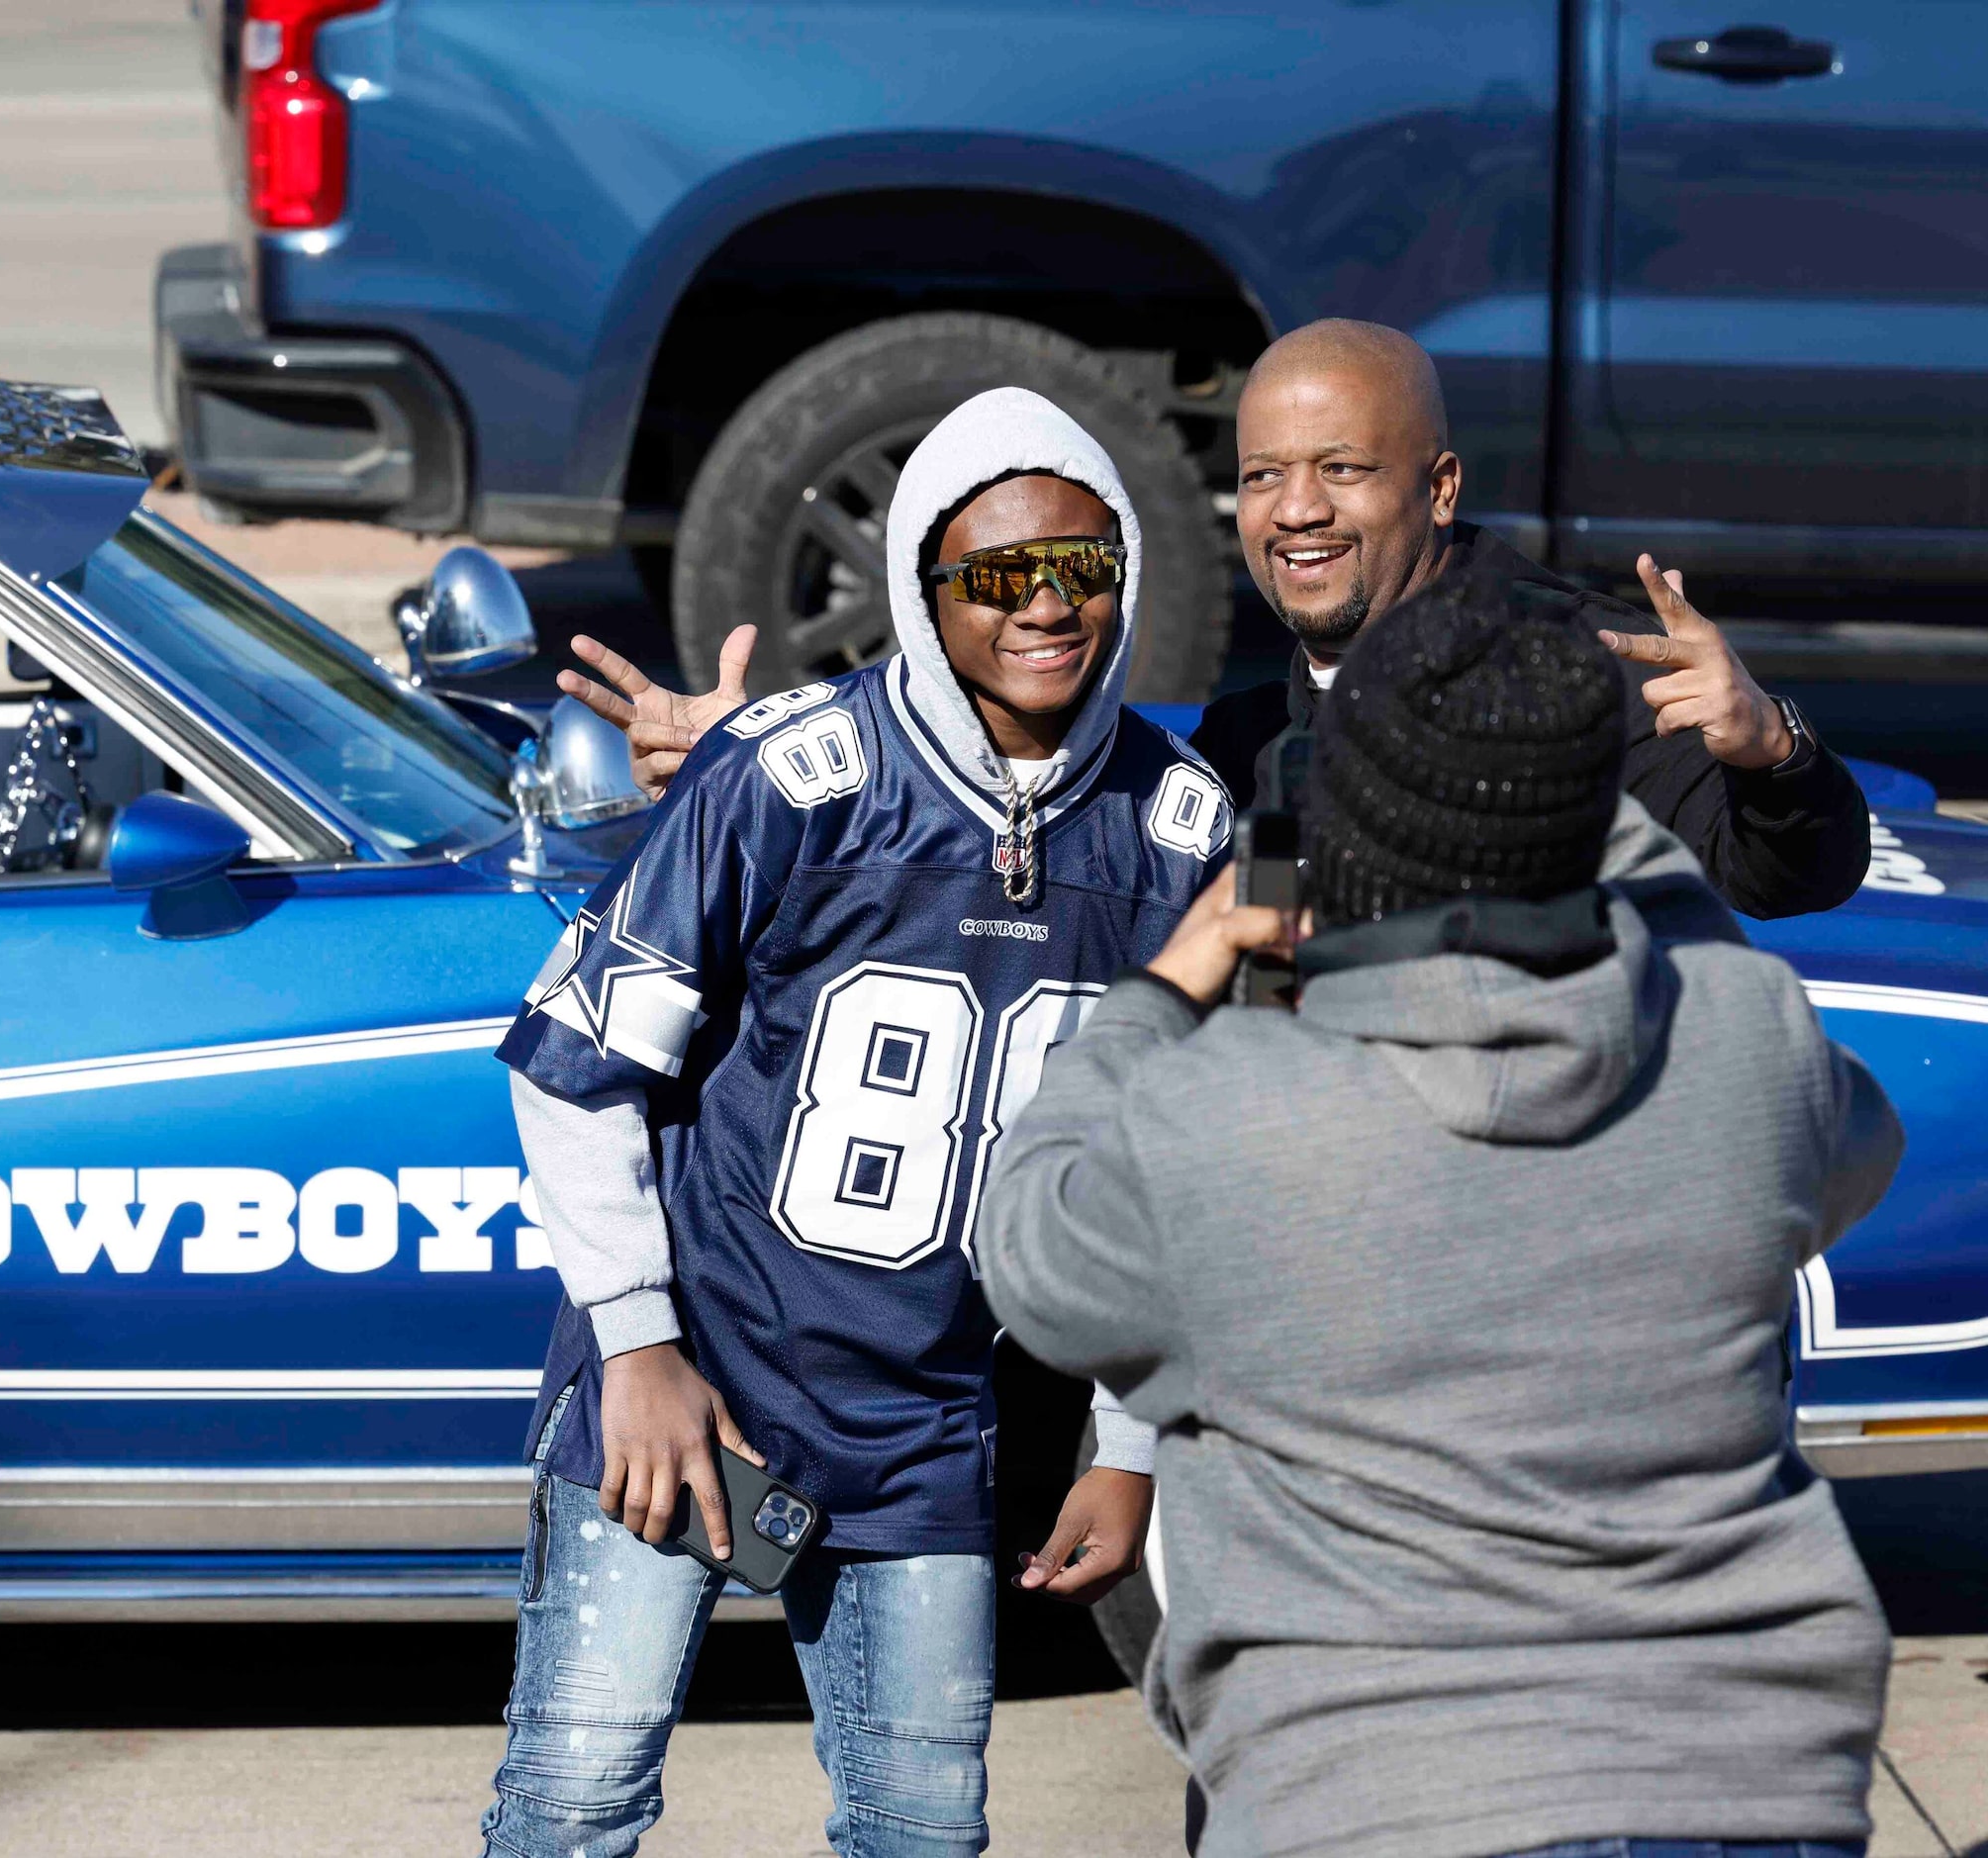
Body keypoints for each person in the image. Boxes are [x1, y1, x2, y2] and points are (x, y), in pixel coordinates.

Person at [970, 575, 1902, 1858]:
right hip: (1742, 1788)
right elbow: (1854, 1144)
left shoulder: (1242, 1110)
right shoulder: (1747, 1051)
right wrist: (1610, 825)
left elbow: (1031, 1239)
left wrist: (1168, 985)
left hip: (1380, 1796)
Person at [482, 389, 1227, 1857]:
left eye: (1085, 567)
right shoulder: (793, 776)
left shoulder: (1176, 824)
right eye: (999, 574)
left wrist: (1130, 1435)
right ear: (919, 590)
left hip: (927, 1420)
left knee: (921, 1832)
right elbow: (570, 1060)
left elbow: (1174, 1175)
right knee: (573, 1808)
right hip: (696, 1385)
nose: (1048, 606)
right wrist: (636, 1342)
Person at [564, 319, 1870, 920]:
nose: (1296, 511)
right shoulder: (1247, 736)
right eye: (1261, 477)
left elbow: (1786, 879)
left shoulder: (1583, 670)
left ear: (1440, 484)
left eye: (1343, 471)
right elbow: (1027, 827)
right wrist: (763, 771)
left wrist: (1776, 753)